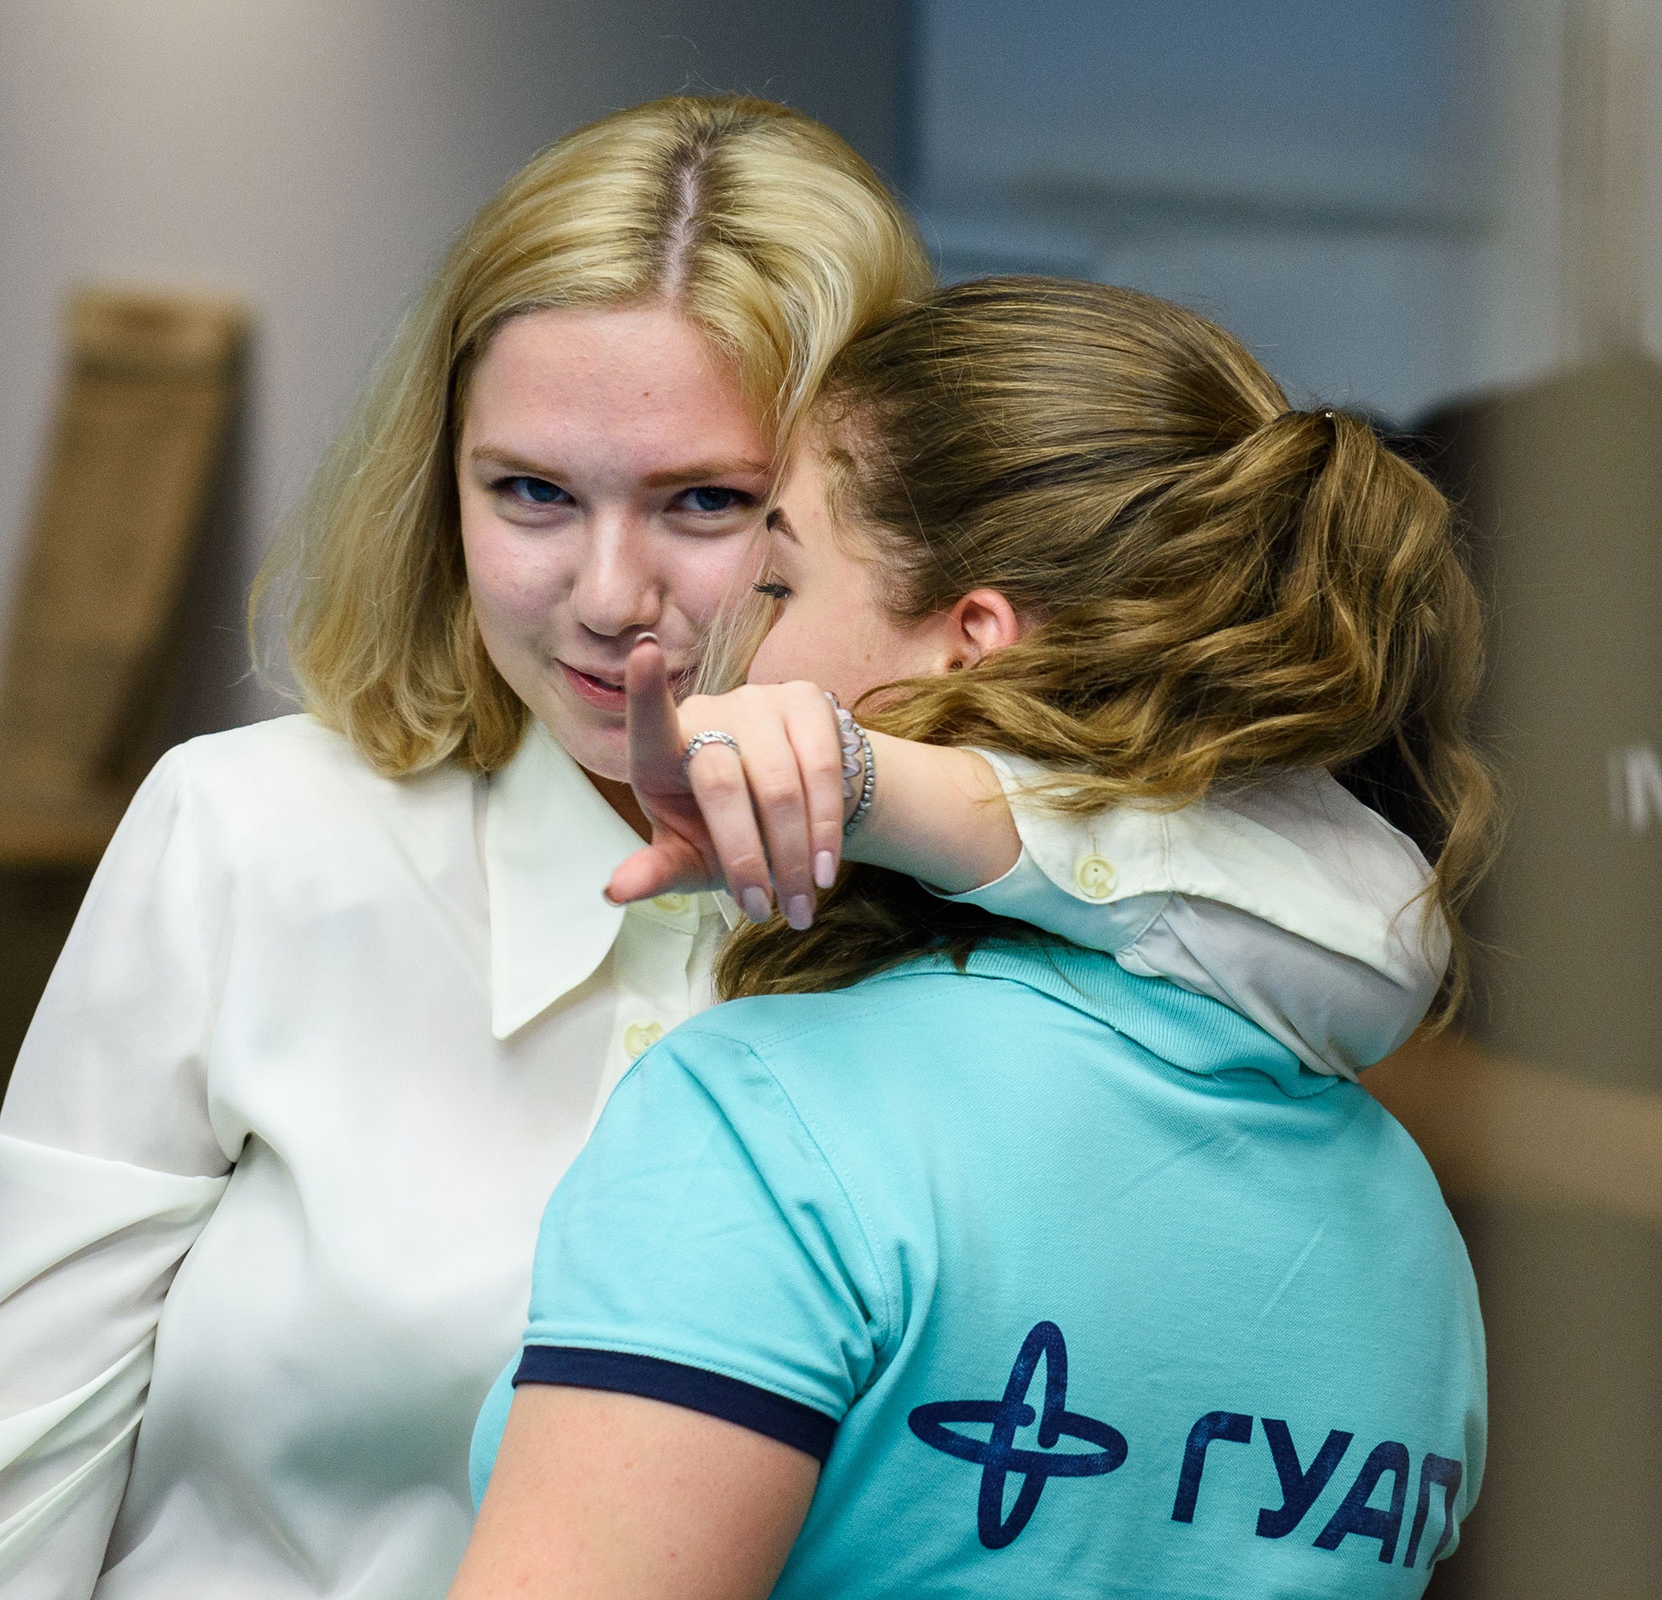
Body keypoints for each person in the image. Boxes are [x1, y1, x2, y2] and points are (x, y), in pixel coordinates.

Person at [0, 103, 1443, 1600]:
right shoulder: (253, 832)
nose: (607, 596)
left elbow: (1367, 936)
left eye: (709, 505)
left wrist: (898, 792)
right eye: (530, 494)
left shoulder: (989, 935)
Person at [453, 277, 1494, 1600]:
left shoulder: (773, 1123)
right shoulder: (1410, 1234)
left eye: (779, 580)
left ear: (972, 648)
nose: (738, 651)